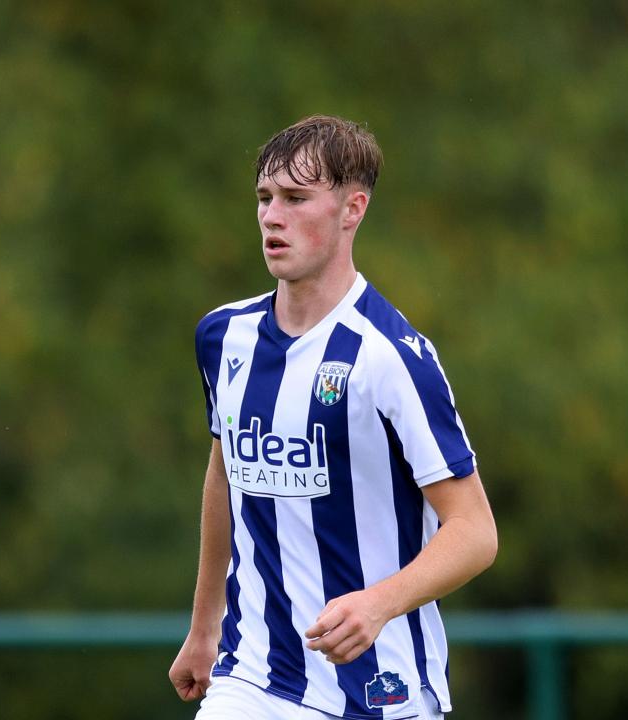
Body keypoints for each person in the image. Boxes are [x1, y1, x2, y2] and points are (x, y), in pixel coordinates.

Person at [169, 115, 498, 720]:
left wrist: (377, 604)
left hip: (379, 692)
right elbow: (225, 476)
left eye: (296, 199)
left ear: (353, 209)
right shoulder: (224, 336)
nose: (272, 216)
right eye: (265, 198)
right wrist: (204, 625)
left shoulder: (391, 358)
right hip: (254, 678)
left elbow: (475, 532)